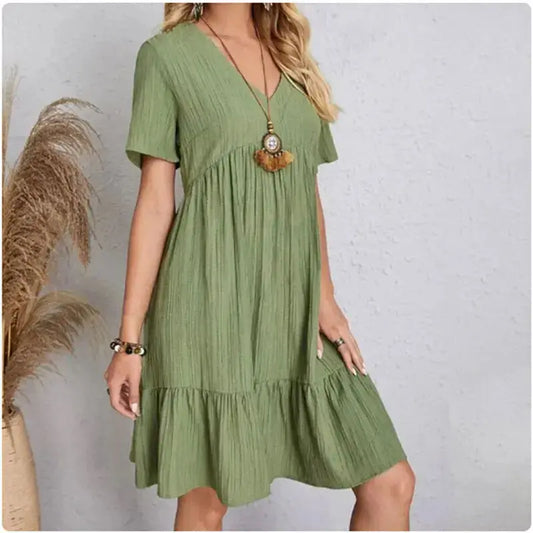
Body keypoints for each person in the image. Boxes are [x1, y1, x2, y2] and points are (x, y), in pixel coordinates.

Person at [104, 3, 416, 530]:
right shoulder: (166, 57)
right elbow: (156, 202)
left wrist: (325, 297)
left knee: (392, 483)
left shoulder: (290, 54)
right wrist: (129, 343)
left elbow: (306, 190)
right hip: (207, 306)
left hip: (292, 306)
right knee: (206, 505)